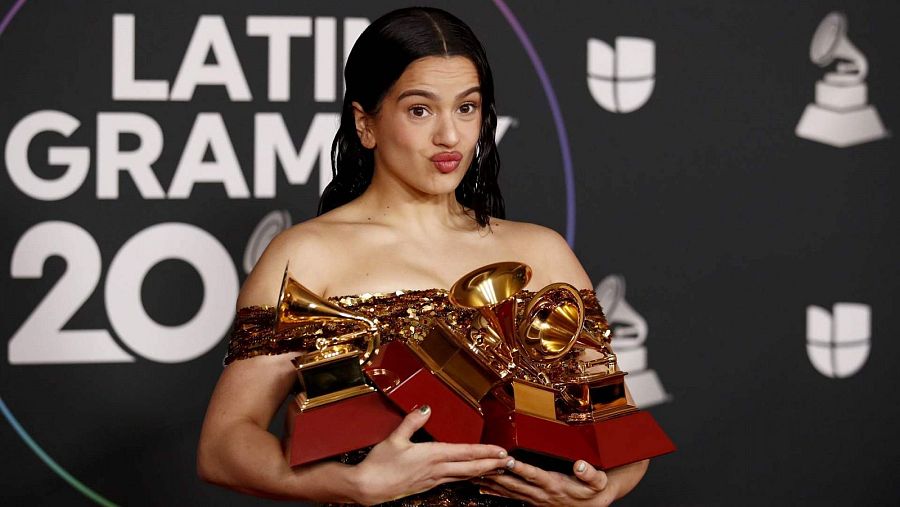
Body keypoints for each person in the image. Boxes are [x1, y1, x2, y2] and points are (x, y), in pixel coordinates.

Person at [197, 6, 648, 506]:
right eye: (420, 110)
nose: (449, 136)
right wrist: (350, 484)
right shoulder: (305, 256)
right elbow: (223, 446)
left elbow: (619, 421)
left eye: (466, 108)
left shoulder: (542, 251)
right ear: (365, 124)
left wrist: (602, 492)